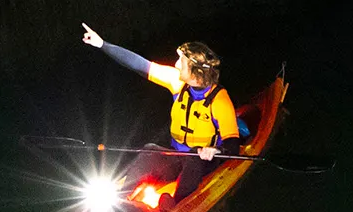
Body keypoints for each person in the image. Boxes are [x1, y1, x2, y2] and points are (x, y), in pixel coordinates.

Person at [81, 23, 241, 191]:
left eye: (181, 61)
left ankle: (178, 202)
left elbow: (232, 145)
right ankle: (123, 195)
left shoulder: (220, 100)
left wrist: (215, 150)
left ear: (196, 71)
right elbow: (139, 64)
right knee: (150, 150)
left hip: (203, 162)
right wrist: (102, 44)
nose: (176, 64)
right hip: (177, 155)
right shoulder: (177, 81)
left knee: (194, 157)